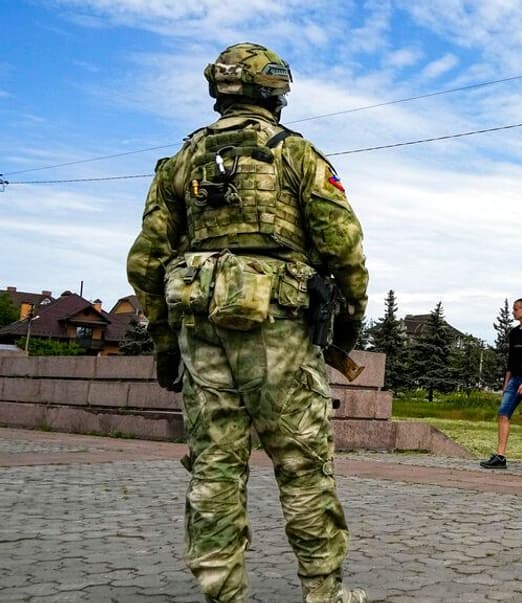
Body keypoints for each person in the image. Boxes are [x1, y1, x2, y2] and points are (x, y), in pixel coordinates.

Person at [126, 42, 369, 603]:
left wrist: (167, 344)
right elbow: (345, 250)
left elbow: (145, 262)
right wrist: (344, 329)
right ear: (275, 93)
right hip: (279, 325)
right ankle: (323, 593)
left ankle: (223, 594)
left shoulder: (181, 163)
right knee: (303, 461)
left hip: (197, 323)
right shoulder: (298, 155)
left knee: (214, 466)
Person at [480, 298, 522, 470]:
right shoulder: (514, 333)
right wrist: (507, 382)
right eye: (514, 309)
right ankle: (500, 456)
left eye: (516, 309)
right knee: (503, 413)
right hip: (514, 378)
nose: (513, 312)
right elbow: (511, 360)